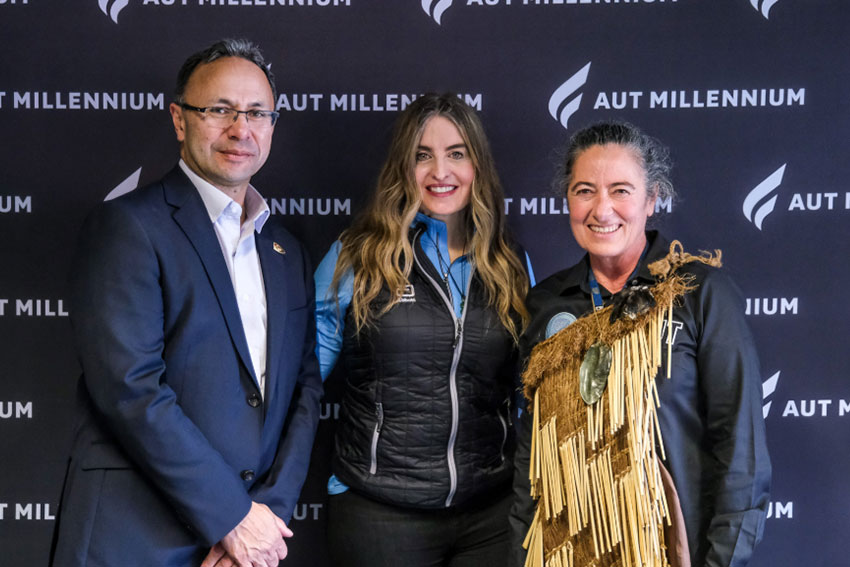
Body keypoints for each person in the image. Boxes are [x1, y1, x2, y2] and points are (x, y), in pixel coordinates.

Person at [50, 39, 323, 567]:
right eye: (219, 110)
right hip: (135, 539)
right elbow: (130, 389)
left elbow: (303, 392)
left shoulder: (287, 249)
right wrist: (232, 517)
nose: (240, 129)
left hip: (247, 546)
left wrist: (264, 518)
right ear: (179, 119)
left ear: (272, 125)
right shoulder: (128, 226)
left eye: (256, 113)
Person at [509, 122, 771, 567]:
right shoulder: (545, 304)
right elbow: (530, 459)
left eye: (621, 190)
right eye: (585, 190)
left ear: (652, 200)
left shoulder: (697, 293)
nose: (602, 208)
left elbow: (741, 455)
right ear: (568, 200)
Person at [314, 93, 533, 567]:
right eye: (422, 156)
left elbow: (529, 393)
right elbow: (302, 382)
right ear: (402, 167)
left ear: (478, 165)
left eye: (457, 153)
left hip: (489, 516)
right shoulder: (358, 257)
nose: (440, 172)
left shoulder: (510, 265)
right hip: (380, 513)